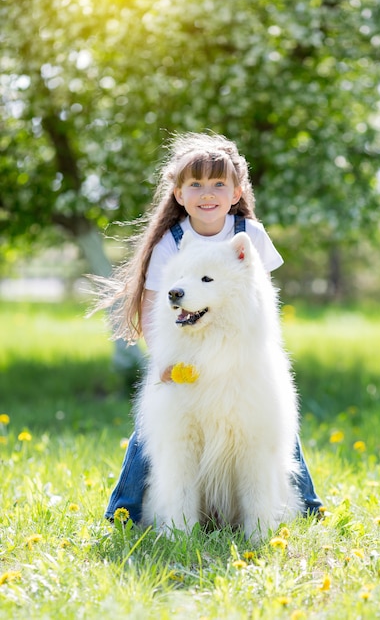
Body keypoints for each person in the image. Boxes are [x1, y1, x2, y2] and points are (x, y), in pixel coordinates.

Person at [93, 131, 322, 523]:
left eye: (218, 183)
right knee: (153, 432)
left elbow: (259, 298)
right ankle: (124, 508)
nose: (207, 193)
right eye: (195, 184)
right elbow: (154, 306)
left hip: (245, 357)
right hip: (184, 359)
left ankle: (309, 505)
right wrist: (162, 361)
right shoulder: (170, 241)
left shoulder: (250, 235)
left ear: (236, 192)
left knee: (272, 424)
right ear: (179, 194)